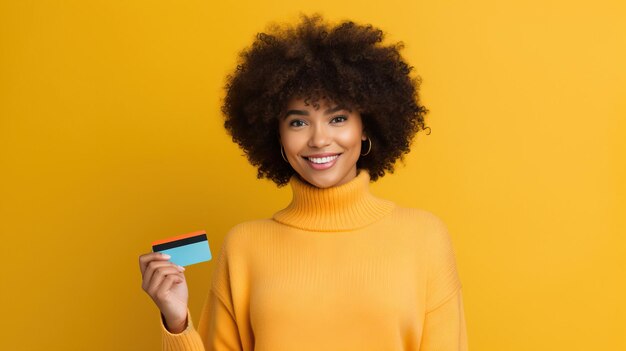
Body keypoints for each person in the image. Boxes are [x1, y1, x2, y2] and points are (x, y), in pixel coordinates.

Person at [139, 14, 468, 351]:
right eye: (298, 123)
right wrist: (176, 321)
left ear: (365, 126)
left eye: (337, 118)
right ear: (276, 136)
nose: (319, 139)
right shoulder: (244, 246)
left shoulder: (424, 237)